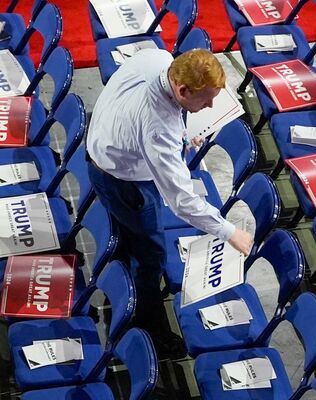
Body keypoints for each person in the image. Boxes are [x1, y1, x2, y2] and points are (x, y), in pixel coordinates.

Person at [85, 48, 254, 358]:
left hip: (105, 153)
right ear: (183, 89)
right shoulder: (159, 128)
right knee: (151, 256)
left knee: (129, 235)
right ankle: (146, 323)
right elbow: (181, 201)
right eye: (205, 100)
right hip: (124, 182)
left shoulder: (160, 58)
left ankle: (122, 271)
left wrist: (183, 135)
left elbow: (165, 124)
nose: (210, 106)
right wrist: (229, 232)